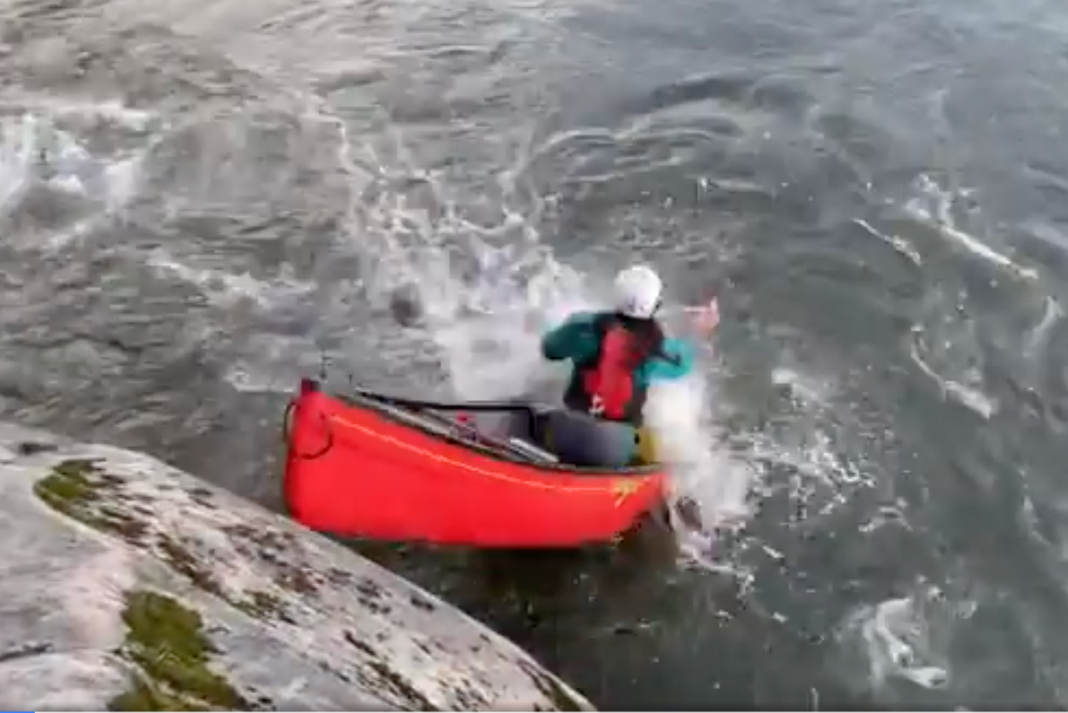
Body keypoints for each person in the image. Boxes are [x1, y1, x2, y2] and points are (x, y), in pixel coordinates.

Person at [532, 264, 719, 467]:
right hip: (613, 449)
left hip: (564, 435)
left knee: (540, 418)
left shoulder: (582, 327)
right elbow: (684, 362)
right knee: (655, 446)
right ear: (656, 306)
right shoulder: (657, 349)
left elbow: (549, 350)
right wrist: (700, 331)